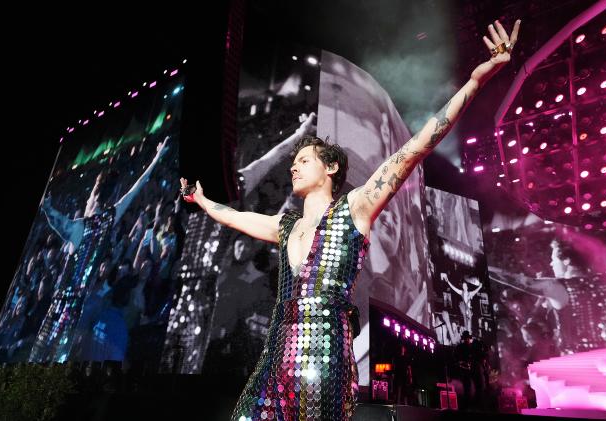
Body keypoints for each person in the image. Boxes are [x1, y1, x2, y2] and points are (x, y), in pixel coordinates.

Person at [181, 19, 521, 421]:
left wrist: (476, 81)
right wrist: (203, 201)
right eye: (294, 162)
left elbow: (413, 149)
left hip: (326, 357)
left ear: (330, 168)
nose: (294, 168)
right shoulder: (286, 225)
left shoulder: (355, 208)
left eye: (303, 161)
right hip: (276, 356)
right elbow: (236, 216)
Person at [29, 139, 170, 363]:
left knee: (40, 356)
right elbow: (136, 188)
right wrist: (157, 157)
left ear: (94, 197)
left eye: (91, 194)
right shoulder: (109, 220)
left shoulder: (78, 228)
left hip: (60, 308)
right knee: (59, 358)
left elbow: (54, 219)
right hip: (78, 309)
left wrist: (46, 206)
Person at [454, 330, 489, 411]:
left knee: (479, 387)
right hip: (465, 370)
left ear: (469, 338)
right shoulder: (460, 347)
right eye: (465, 338)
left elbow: (481, 355)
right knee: (467, 389)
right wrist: (461, 362)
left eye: (468, 338)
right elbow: (456, 358)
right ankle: (466, 407)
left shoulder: (475, 346)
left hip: (475, 369)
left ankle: (479, 406)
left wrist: (481, 360)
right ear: (463, 339)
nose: (467, 340)